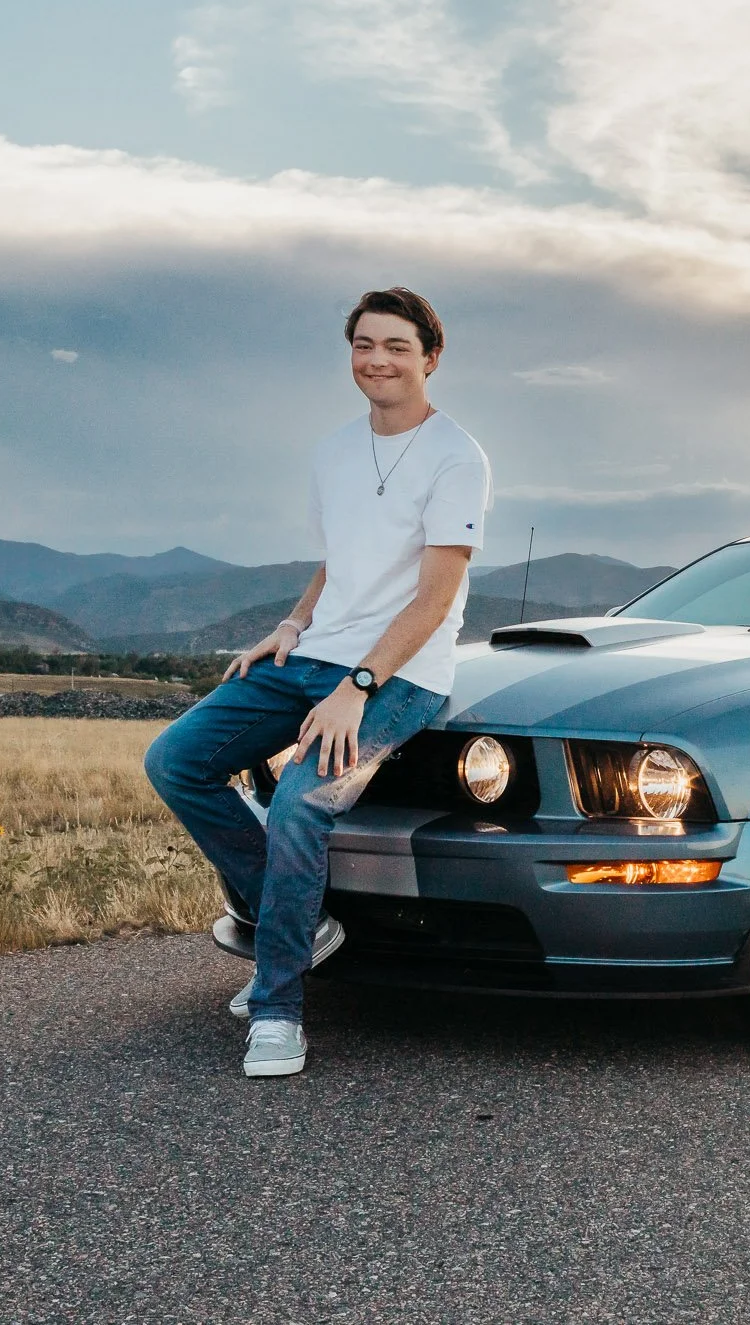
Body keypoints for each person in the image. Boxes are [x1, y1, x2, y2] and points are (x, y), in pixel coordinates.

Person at [145, 286, 490, 1078]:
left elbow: (435, 596)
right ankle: (298, 928)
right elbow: (340, 563)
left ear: (431, 357)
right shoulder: (334, 451)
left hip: (400, 676)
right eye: (365, 345)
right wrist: (292, 626)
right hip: (312, 655)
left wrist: (359, 683)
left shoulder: (457, 457)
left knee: (300, 802)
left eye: (397, 346)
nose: (378, 360)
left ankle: (278, 1008)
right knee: (175, 759)